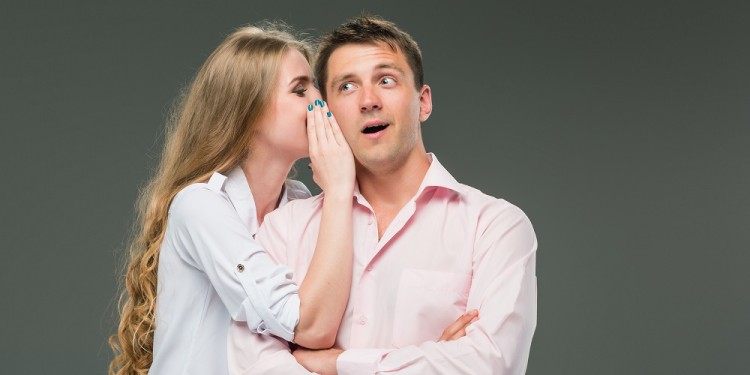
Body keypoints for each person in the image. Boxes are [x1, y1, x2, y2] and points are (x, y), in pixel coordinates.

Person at [228, 15, 538, 375]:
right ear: (325, 113)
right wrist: (430, 358)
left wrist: (338, 363)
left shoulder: (495, 227)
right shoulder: (282, 230)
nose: (368, 101)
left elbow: (491, 364)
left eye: (386, 80)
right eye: (347, 87)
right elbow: (252, 368)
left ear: (423, 103)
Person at [109, 24, 357, 375]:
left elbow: (344, 315)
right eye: (300, 89)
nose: (320, 101)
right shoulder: (200, 207)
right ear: (249, 111)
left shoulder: (301, 203)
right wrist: (340, 189)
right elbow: (310, 328)